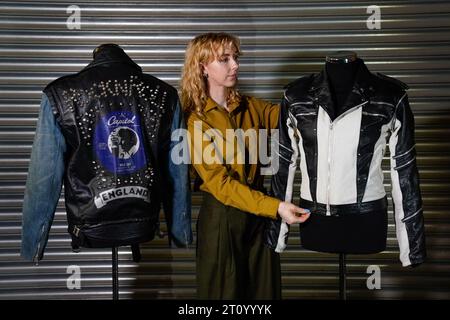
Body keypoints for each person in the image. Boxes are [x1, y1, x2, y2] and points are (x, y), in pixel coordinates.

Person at [180, 32, 310, 299]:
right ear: (203, 67)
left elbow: (291, 120)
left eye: (235, 58)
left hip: (260, 215)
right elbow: (221, 184)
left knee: (265, 294)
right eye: (224, 59)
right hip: (223, 218)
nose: (235, 65)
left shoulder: (250, 106)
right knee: (223, 297)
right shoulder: (195, 121)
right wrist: (277, 207)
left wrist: (319, 95)